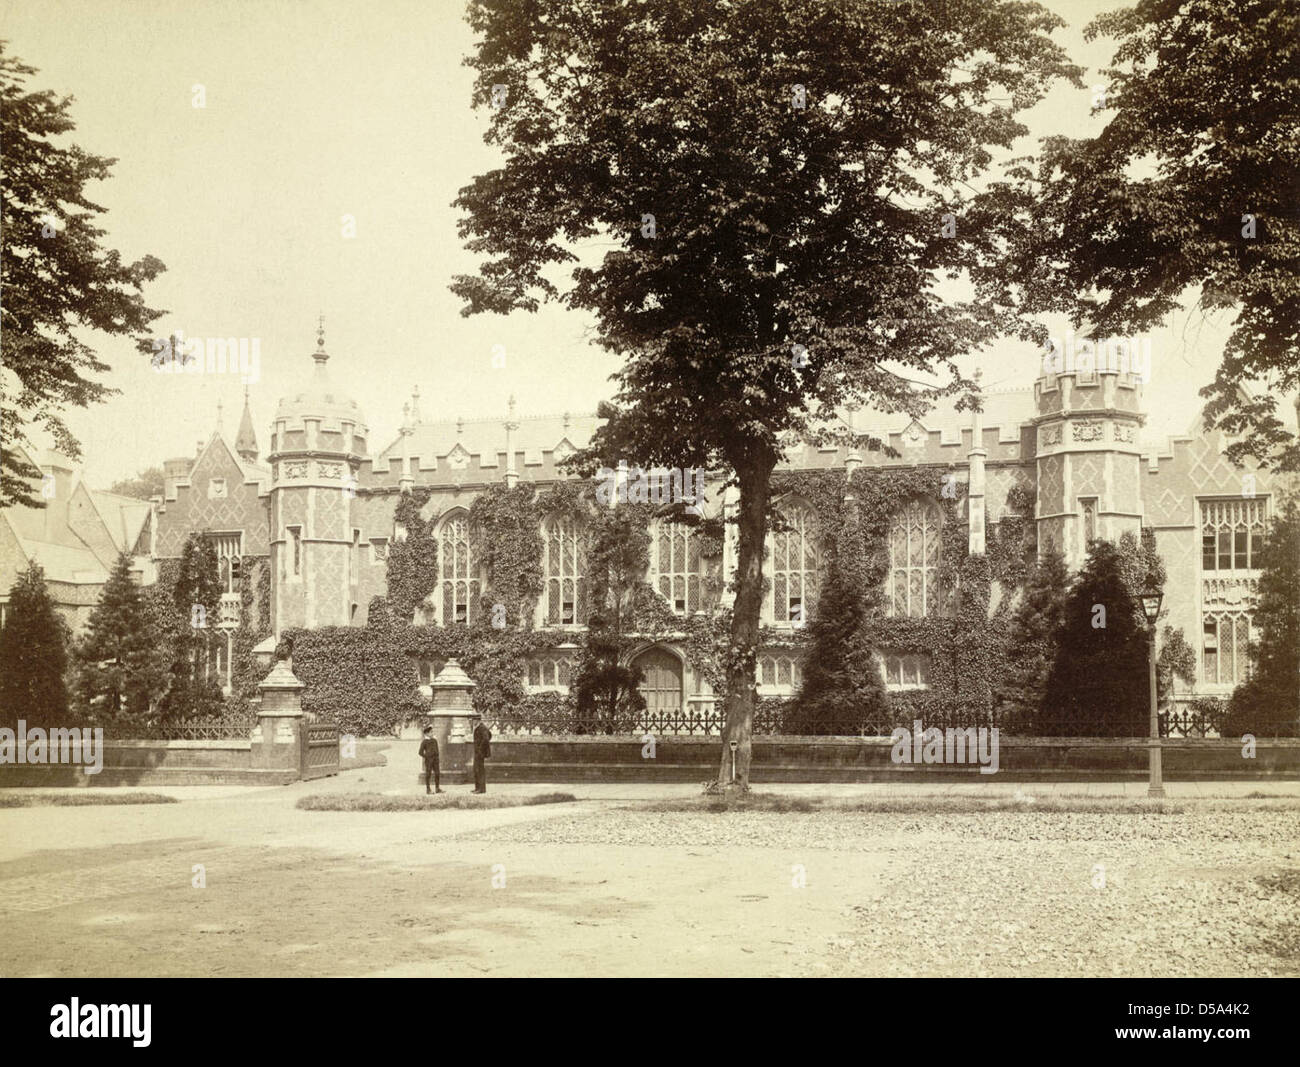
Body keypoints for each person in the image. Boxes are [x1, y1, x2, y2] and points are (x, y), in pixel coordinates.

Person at [419, 726, 442, 794]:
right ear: (426, 733)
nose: (432, 733)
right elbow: (420, 752)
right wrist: (427, 756)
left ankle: (437, 788)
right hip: (429, 761)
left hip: (435, 760)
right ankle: (428, 789)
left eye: (432, 732)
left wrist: (437, 757)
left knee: (437, 773)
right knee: (428, 774)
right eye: (431, 732)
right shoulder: (424, 742)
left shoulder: (434, 740)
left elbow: (437, 750)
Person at [471, 717, 492, 794]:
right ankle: (477, 788)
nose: (473, 722)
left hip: (480, 753)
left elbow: (486, 738)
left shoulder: (482, 728)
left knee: (480, 770)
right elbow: (489, 735)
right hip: (477, 752)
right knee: (476, 769)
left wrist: (480, 749)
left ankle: (481, 789)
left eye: (474, 720)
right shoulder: (479, 728)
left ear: (478, 720)